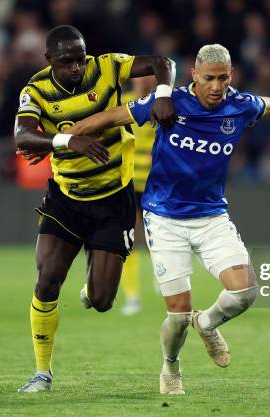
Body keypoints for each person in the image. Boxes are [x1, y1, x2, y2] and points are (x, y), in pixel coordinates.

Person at [64, 44, 270, 394]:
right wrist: (64, 137)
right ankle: (171, 368)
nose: (217, 87)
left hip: (212, 215)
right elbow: (114, 116)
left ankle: (208, 322)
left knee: (245, 292)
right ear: (194, 75)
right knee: (178, 315)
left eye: (224, 78)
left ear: (232, 76)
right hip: (165, 217)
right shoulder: (171, 104)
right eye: (210, 78)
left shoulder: (239, 105)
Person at [13, 25, 176, 393]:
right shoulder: (35, 90)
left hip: (112, 198)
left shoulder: (107, 67)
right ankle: (42, 373)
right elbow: (22, 137)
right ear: (49, 60)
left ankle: (94, 284)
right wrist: (71, 141)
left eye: (80, 58)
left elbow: (162, 62)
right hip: (66, 198)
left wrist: (164, 93)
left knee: (102, 301)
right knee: (47, 279)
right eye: (67, 61)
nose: (76, 67)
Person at [119, 76, 157, 316]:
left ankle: (163, 277)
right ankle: (132, 296)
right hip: (129, 178)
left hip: (155, 179)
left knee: (160, 232)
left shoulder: (161, 104)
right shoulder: (122, 103)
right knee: (129, 237)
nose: (148, 79)